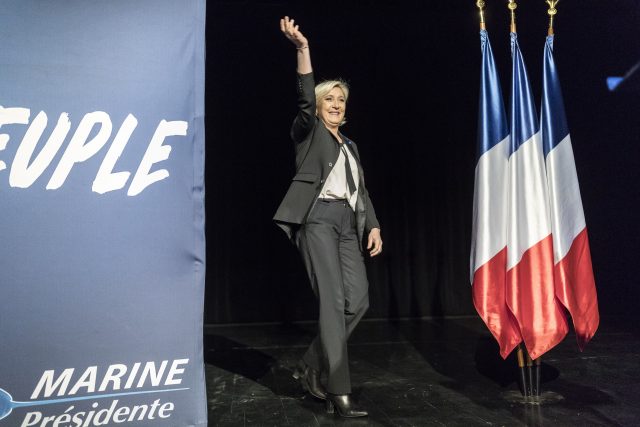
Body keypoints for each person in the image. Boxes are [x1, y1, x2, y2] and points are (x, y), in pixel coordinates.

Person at [273, 16, 383, 418]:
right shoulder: (308, 133)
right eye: (329, 100)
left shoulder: (350, 145)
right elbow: (303, 97)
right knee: (333, 304)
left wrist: (372, 224)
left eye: (341, 101)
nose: (336, 105)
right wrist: (303, 49)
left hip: (346, 226)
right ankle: (338, 392)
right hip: (317, 220)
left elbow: (360, 190)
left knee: (359, 301)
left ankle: (311, 363)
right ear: (319, 106)